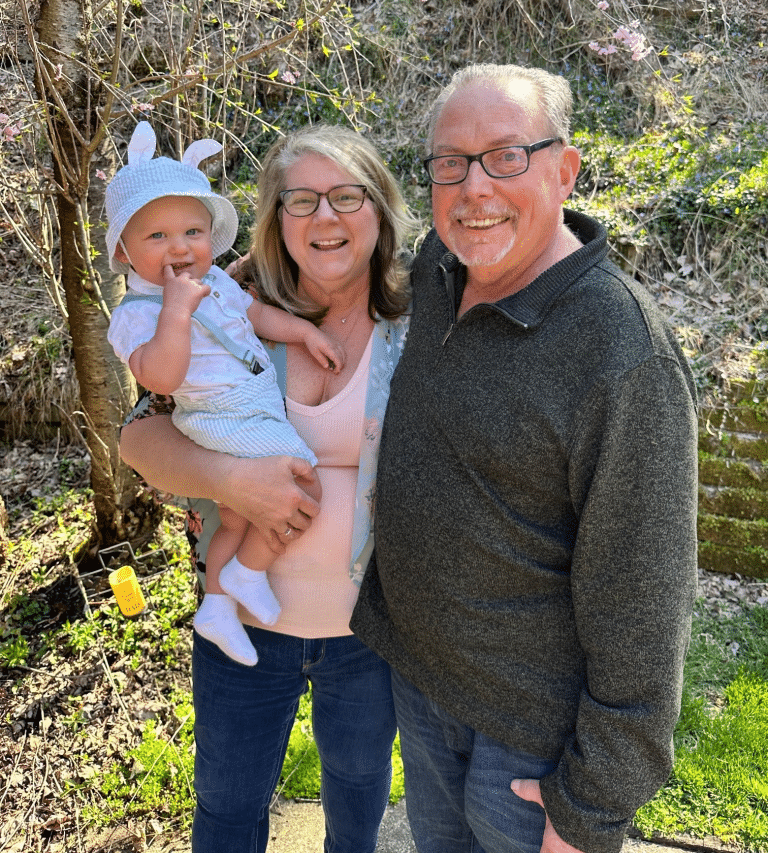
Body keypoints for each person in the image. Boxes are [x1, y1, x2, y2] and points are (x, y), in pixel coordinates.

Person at [350, 63, 699, 853]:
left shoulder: (621, 353)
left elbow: (645, 600)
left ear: (564, 169)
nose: (474, 188)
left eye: (506, 156)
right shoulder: (440, 268)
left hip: (532, 745)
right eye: (451, 163)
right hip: (424, 686)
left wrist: (590, 809)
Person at [119, 123, 416, 853]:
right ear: (275, 219)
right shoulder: (220, 297)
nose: (325, 216)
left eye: (347, 196)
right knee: (228, 812)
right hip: (244, 626)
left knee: (358, 803)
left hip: (370, 631)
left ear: (379, 208)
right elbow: (138, 439)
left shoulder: (420, 316)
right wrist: (232, 479)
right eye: (301, 199)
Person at [106, 122, 347, 667]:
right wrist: (175, 312)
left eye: (192, 232)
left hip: (249, 404)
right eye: (156, 237)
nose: (179, 247)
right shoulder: (139, 314)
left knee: (236, 520)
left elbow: (254, 315)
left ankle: (218, 604)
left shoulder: (216, 282)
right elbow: (160, 381)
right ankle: (247, 573)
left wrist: (304, 333)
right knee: (301, 476)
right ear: (123, 249)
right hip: (220, 415)